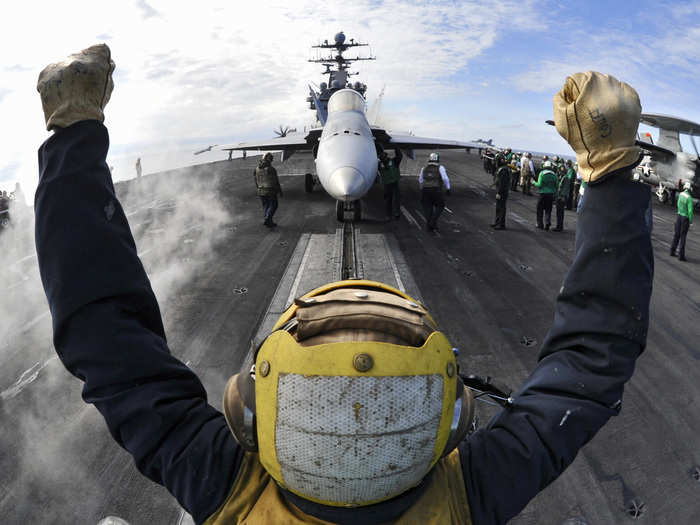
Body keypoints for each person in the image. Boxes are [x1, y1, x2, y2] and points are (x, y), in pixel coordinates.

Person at [35, 46, 654, 525]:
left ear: (249, 417)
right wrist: (607, 172)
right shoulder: (470, 499)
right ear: (456, 415)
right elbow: (594, 355)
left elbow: (103, 335)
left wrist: (72, 138)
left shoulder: (230, 494)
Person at [419, 152, 450, 232]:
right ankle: (433, 221)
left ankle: (429, 225)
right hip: (436, 190)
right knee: (440, 205)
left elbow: (420, 180)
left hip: (425, 190)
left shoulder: (424, 168)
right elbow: (445, 178)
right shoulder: (440, 167)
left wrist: (422, 189)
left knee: (428, 207)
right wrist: (448, 188)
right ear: (437, 159)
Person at [254, 152, 282, 227]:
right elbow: (276, 181)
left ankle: (269, 221)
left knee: (266, 206)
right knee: (274, 205)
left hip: (260, 191)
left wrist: (258, 188)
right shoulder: (271, 169)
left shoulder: (256, 168)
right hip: (270, 190)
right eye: (271, 158)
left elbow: (255, 180)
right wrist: (280, 191)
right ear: (268, 159)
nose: (272, 159)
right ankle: (267, 218)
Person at [670, 181, 694, 261]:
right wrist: (690, 221)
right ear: (690, 189)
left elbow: (678, 204)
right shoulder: (689, 198)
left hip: (679, 216)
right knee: (683, 237)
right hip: (685, 218)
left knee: (676, 234)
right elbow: (690, 211)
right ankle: (681, 256)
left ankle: (672, 251)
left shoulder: (680, 194)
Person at [378, 148, 403, 220]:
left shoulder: (394, 161)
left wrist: (396, 147)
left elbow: (400, 156)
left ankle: (396, 213)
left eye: (384, 156)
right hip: (386, 184)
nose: (383, 158)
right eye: (381, 157)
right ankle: (388, 215)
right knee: (388, 200)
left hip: (394, 183)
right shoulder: (379, 165)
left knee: (396, 199)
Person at [533, 160, 558, 230]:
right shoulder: (554, 174)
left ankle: (540, 224)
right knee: (548, 209)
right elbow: (557, 185)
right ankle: (547, 222)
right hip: (551, 194)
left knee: (539, 209)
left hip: (542, 194)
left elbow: (539, 184)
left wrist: (533, 182)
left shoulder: (542, 173)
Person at [491, 154, 510, 230]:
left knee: (501, 208)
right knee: (498, 208)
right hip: (501, 191)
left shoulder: (504, 170)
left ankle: (501, 225)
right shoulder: (502, 168)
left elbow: (502, 183)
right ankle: (497, 222)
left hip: (502, 192)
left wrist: (499, 192)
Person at [553, 165, 570, 231]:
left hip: (561, 198)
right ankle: (559, 226)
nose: (559, 171)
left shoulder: (565, 178)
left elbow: (565, 189)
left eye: (561, 170)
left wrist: (562, 197)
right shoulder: (562, 177)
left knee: (560, 213)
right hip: (559, 197)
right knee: (559, 212)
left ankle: (559, 227)